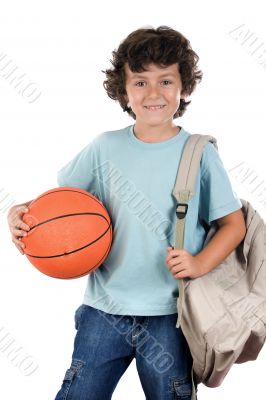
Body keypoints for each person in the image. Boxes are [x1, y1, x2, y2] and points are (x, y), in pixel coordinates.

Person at [7, 25, 246, 400]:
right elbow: (60, 205)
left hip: (173, 314)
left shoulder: (200, 154)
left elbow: (234, 224)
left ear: (184, 87)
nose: (154, 93)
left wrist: (199, 264)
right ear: (123, 90)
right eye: (140, 83)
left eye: (166, 81)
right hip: (104, 310)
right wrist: (20, 213)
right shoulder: (104, 148)